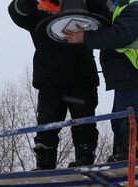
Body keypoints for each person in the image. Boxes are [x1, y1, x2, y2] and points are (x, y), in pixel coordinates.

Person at [9, 0, 102, 169]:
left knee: (84, 122)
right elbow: (17, 13)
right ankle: (44, 162)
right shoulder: (40, 8)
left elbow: (103, 15)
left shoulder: (85, 3)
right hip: (50, 78)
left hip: (81, 76)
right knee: (46, 124)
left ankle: (84, 158)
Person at [63, 0, 138, 162]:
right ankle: (121, 153)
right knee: (120, 115)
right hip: (128, 71)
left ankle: (129, 153)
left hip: (135, 69)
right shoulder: (120, 5)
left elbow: (119, 35)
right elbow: (100, 11)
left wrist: (85, 37)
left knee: (126, 112)